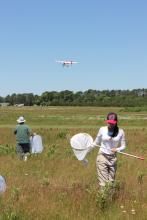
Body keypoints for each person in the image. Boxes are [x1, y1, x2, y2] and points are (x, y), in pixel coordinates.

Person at [92, 112, 126, 191]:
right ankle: (103, 201)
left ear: (116, 122)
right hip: (102, 156)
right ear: (107, 121)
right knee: (103, 183)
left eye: (113, 123)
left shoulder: (121, 132)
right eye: (109, 123)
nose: (111, 125)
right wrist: (87, 150)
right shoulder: (102, 129)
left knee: (111, 183)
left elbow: (123, 146)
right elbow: (96, 143)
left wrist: (117, 149)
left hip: (113, 158)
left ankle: (110, 201)